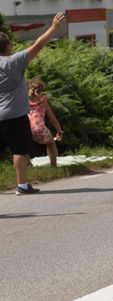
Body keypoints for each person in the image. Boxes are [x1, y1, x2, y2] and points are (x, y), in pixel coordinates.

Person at [0, 12, 65, 194]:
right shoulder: (13, 62)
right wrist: (53, 27)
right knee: (19, 150)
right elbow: (38, 45)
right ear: (8, 46)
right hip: (14, 115)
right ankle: (22, 185)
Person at [27, 77, 64, 167]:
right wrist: (59, 131)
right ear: (39, 92)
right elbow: (53, 120)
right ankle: (53, 166)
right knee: (51, 143)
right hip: (39, 128)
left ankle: (29, 165)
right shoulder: (43, 102)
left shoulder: (24, 102)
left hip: (25, 128)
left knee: (21, 149)